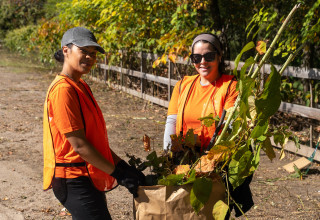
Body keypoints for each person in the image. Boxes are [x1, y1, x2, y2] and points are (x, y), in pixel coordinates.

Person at [43, 27, 145, 220]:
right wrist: (118, 174)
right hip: (73, 179)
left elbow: (94, 141)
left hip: (86, 176)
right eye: (84, 51)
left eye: (93, 54)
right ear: (66, 50)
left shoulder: (81, 86)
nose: (90, 58)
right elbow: (79, 145)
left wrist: (123, 166)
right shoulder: (63, 90)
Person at [162, 33, 253, 217]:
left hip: (216, 166)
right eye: (196, 57)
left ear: (219, 57)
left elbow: (229, 128)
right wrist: (167, 156)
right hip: (183, 162)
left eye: (209, 56)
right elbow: (171, 121)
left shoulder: (231, 86)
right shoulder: (182, 85)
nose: (202, 62)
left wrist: (209, 162)